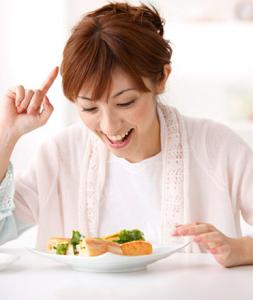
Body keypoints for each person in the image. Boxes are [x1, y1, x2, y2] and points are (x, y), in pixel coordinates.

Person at [0, 2, 253, 268]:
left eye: (126, 103)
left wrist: (242, 249)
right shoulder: (60, 155)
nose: (109, 126)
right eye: (89, 108)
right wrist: (7, 137)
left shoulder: (219, 148)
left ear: (162, 78)